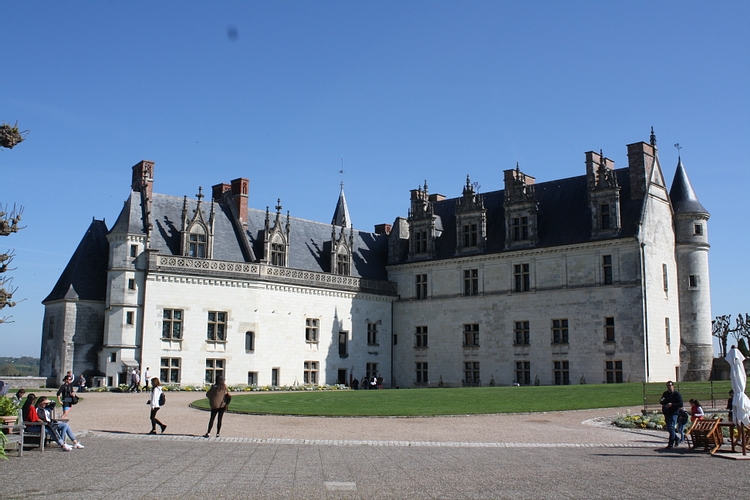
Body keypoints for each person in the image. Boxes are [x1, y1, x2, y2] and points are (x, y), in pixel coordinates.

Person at [660, 380, 683, 449]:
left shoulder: (676, 394)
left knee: (671, 427)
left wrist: (672, 404)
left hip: (674, 413)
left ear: (673, 386)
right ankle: (677, 438)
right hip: (667, 413)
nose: (669, 387)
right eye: (668, 386)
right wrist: (662, 401)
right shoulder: (665, 393)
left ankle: (671, 443)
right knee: (669, 428)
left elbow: (681, 404)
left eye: (670, 385)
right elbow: (663, 401)